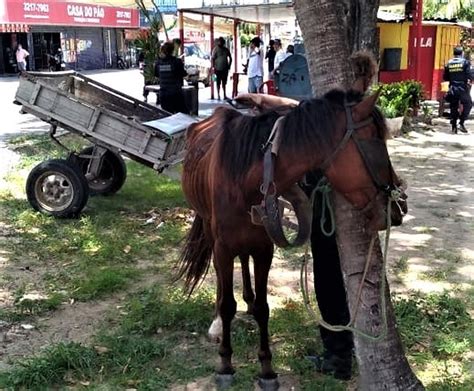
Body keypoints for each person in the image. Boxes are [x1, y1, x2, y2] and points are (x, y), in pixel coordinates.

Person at [443, 46, 472, 134]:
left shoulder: (449, 63)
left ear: (454, 53)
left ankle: (454, 126)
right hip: (463, 88)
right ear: (462, 53)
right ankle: (461, 122)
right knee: (468, 104)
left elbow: (445, 77)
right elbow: (470, 76)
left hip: (452, 88)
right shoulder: (465, 62)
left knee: (453, 106)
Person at [154, 41, 188, 114]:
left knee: (167, 116)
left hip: (164, 94)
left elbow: (156, 75)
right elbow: (183, 74)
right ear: (172, 50)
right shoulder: (177, 62)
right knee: (183, 115)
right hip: (176, 93)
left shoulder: (158, 63)